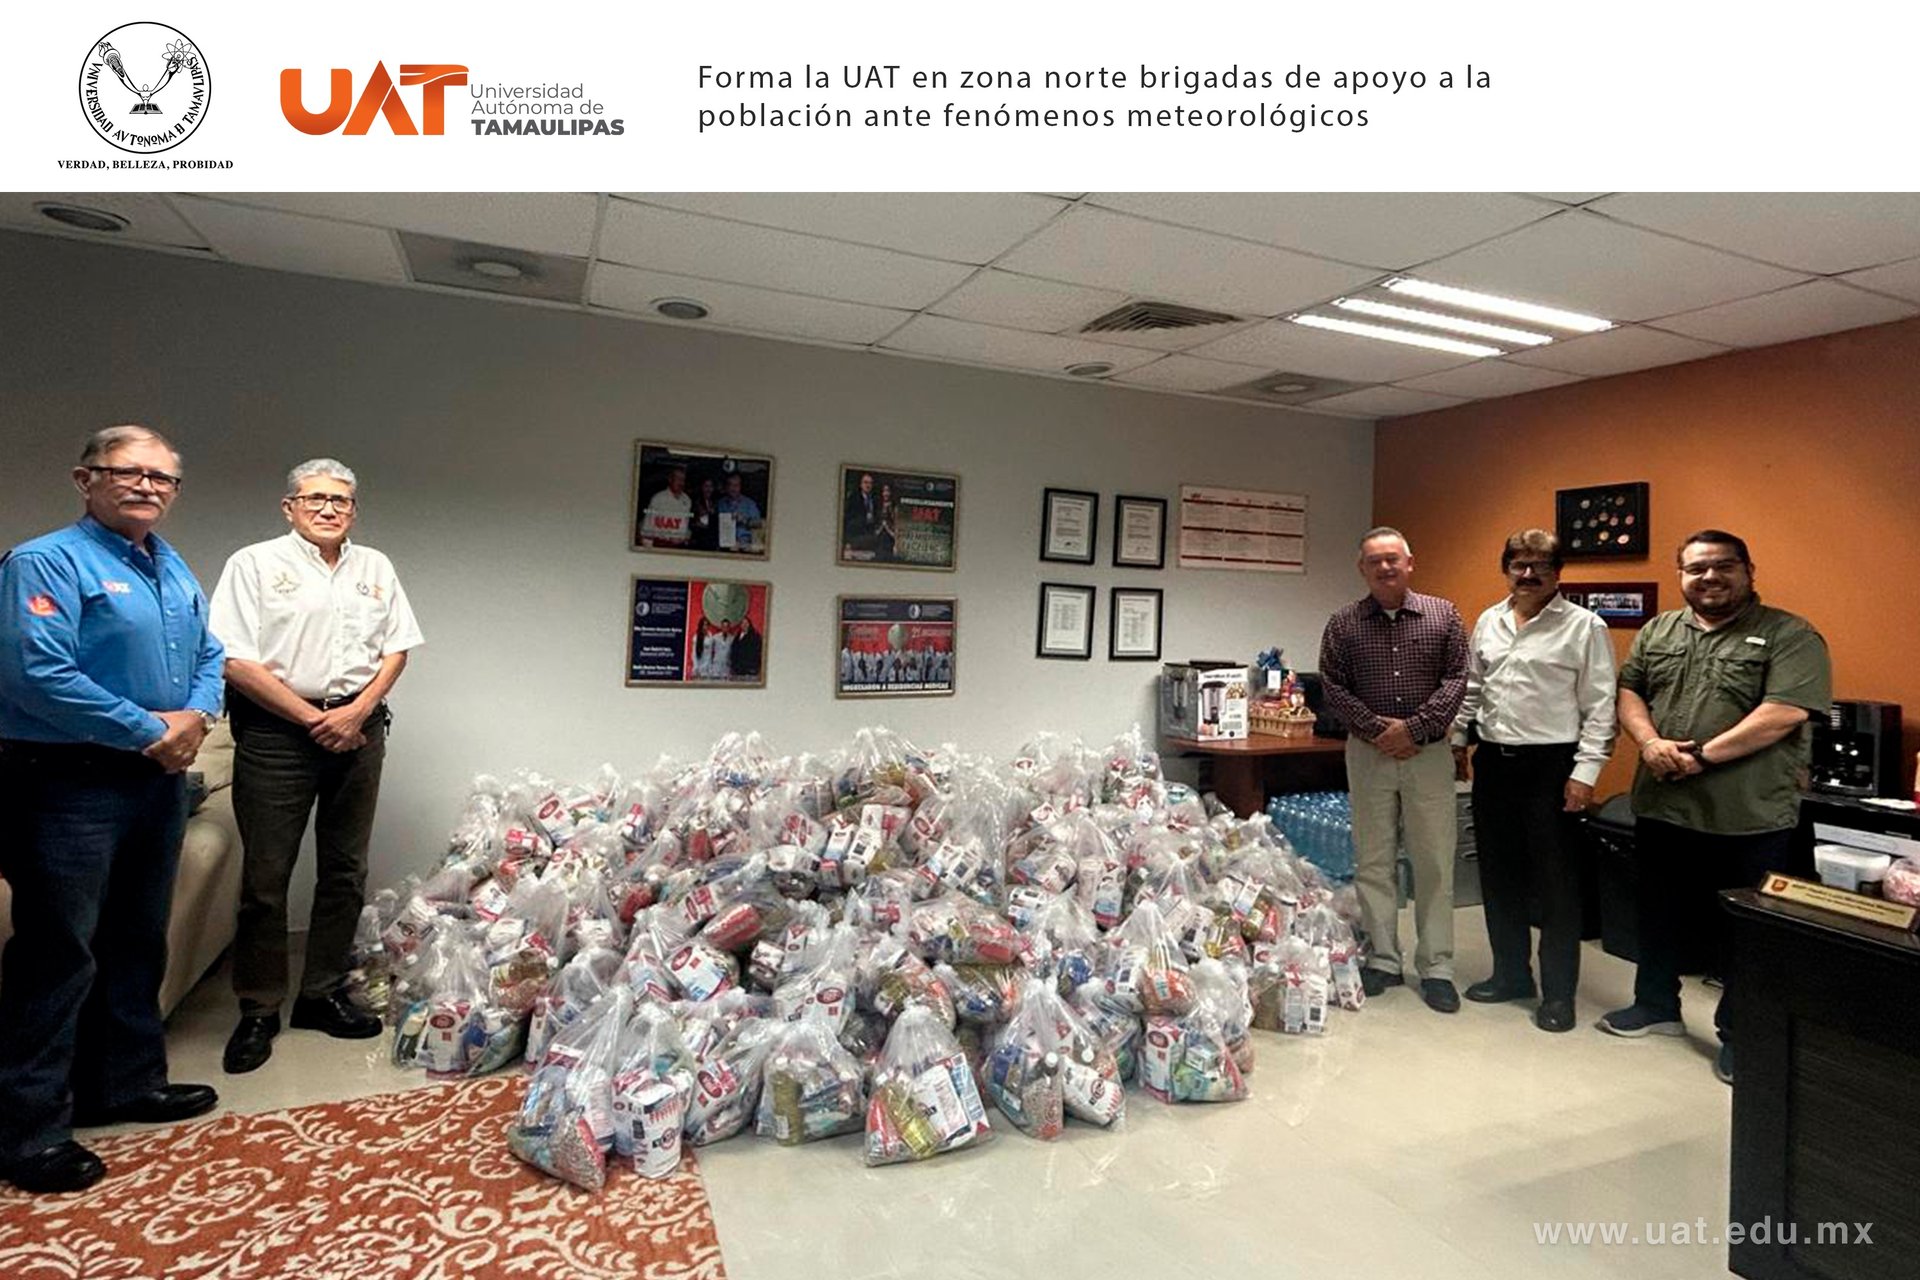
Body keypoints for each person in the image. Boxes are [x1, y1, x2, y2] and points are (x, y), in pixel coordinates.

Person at [0, 425, 224, 1194]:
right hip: (67, 782)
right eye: (128, 472)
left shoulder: (169, 565)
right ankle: (28, 1131)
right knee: (58, 952)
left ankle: (126, 1084)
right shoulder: (46, 561)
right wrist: (149, 730)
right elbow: (36, 672)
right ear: (85, 478)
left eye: (162, 478)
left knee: (135, 938)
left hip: (153, 782)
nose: (147, 487)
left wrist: (194, 717)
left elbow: (210, 653)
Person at [209, 460, 424, 1075]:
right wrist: (312, 719)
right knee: (265, 878)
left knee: (345, 870)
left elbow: (397, 648)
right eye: (315, 499)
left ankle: (320, 994)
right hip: (277, 733)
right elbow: (232, 659)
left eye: (341, 501)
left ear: (354, 510)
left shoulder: (374, 566)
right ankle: (258, 1008)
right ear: (290, 507)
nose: (329, 509)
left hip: (359, 729)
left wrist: (356, 712)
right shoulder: (254, 564)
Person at [1598, 530, 1829, 1084]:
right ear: (1681, 575)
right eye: (1696, 568)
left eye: (1723, 566)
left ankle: (1741, 1035)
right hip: (1664, 804)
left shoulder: (1790, 635)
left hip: (1746, 813)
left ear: (1749, 570)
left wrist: (1701, 757)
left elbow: (1784, 712)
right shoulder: (1660, 630)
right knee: (1657, 912)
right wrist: (1649, 742)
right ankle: (1656, 1005)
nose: (1709, 577)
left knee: (1744, 930)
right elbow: (1629, 691)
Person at [1451, 530, 1618, 1033]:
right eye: (1519, 565)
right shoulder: (1490, 620)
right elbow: (1473, 686)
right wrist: (1458, 741)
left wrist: (1585, 774)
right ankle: (1510, 975)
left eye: (1540, 565)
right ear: (1506, 570)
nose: (1528, 574)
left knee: (1556, 885)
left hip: (1553, 768)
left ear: (1557, 572)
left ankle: (1559, 994)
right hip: (1494, 765)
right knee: (1499, 875)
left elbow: (1601, 706)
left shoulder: (1584, 627)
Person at [1318, 527, 1470, 1013]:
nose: (1385, 567)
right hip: (1368, 754)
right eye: (1374, 561)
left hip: (1429, 754)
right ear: (1361, 568)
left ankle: (1437, 966)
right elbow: (1333, 686)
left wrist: (1415, 729)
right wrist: (1378, 731)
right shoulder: (1343, 624)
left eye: (1392, 559)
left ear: (1410, 563)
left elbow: (1457, 679)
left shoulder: (1443, 615)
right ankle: (1383, 959)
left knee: (1434, 861)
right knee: (1374, 860)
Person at [640, 465, 694, 547]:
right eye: (678, 479)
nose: (681, 483)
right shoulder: (658, 498)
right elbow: (647, 527)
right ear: (670, 479)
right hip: (661, 544)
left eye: (683, 480)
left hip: (680, 546)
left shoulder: (687, 500)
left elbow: (686, 524)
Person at [715, 471, 762, 551]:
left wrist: (744, 520)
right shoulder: (720, 504)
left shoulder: (749, 504)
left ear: (740, 487)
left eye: (736, 485)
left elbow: (759, 524)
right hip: (724, 546)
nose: (733, 488)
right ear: (726, 487)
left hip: (745, 546)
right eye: (730, 485)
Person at [842, 472, 881, 557]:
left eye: (870, 483)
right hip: (856, 535)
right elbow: (848, 518)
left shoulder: (875, 499)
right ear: (861, 484)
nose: (868, 485)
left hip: (870, 535)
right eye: (865, 482)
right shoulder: (853, 498)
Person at [688, 473, 720, 553]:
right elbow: (690, 521)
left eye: (711, 486)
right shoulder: (695, 502)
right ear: (701, 487)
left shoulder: (716, 502)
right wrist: (697, 523)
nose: (708, 489)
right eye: (706, 486)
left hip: (712, 542)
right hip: (698, 541)